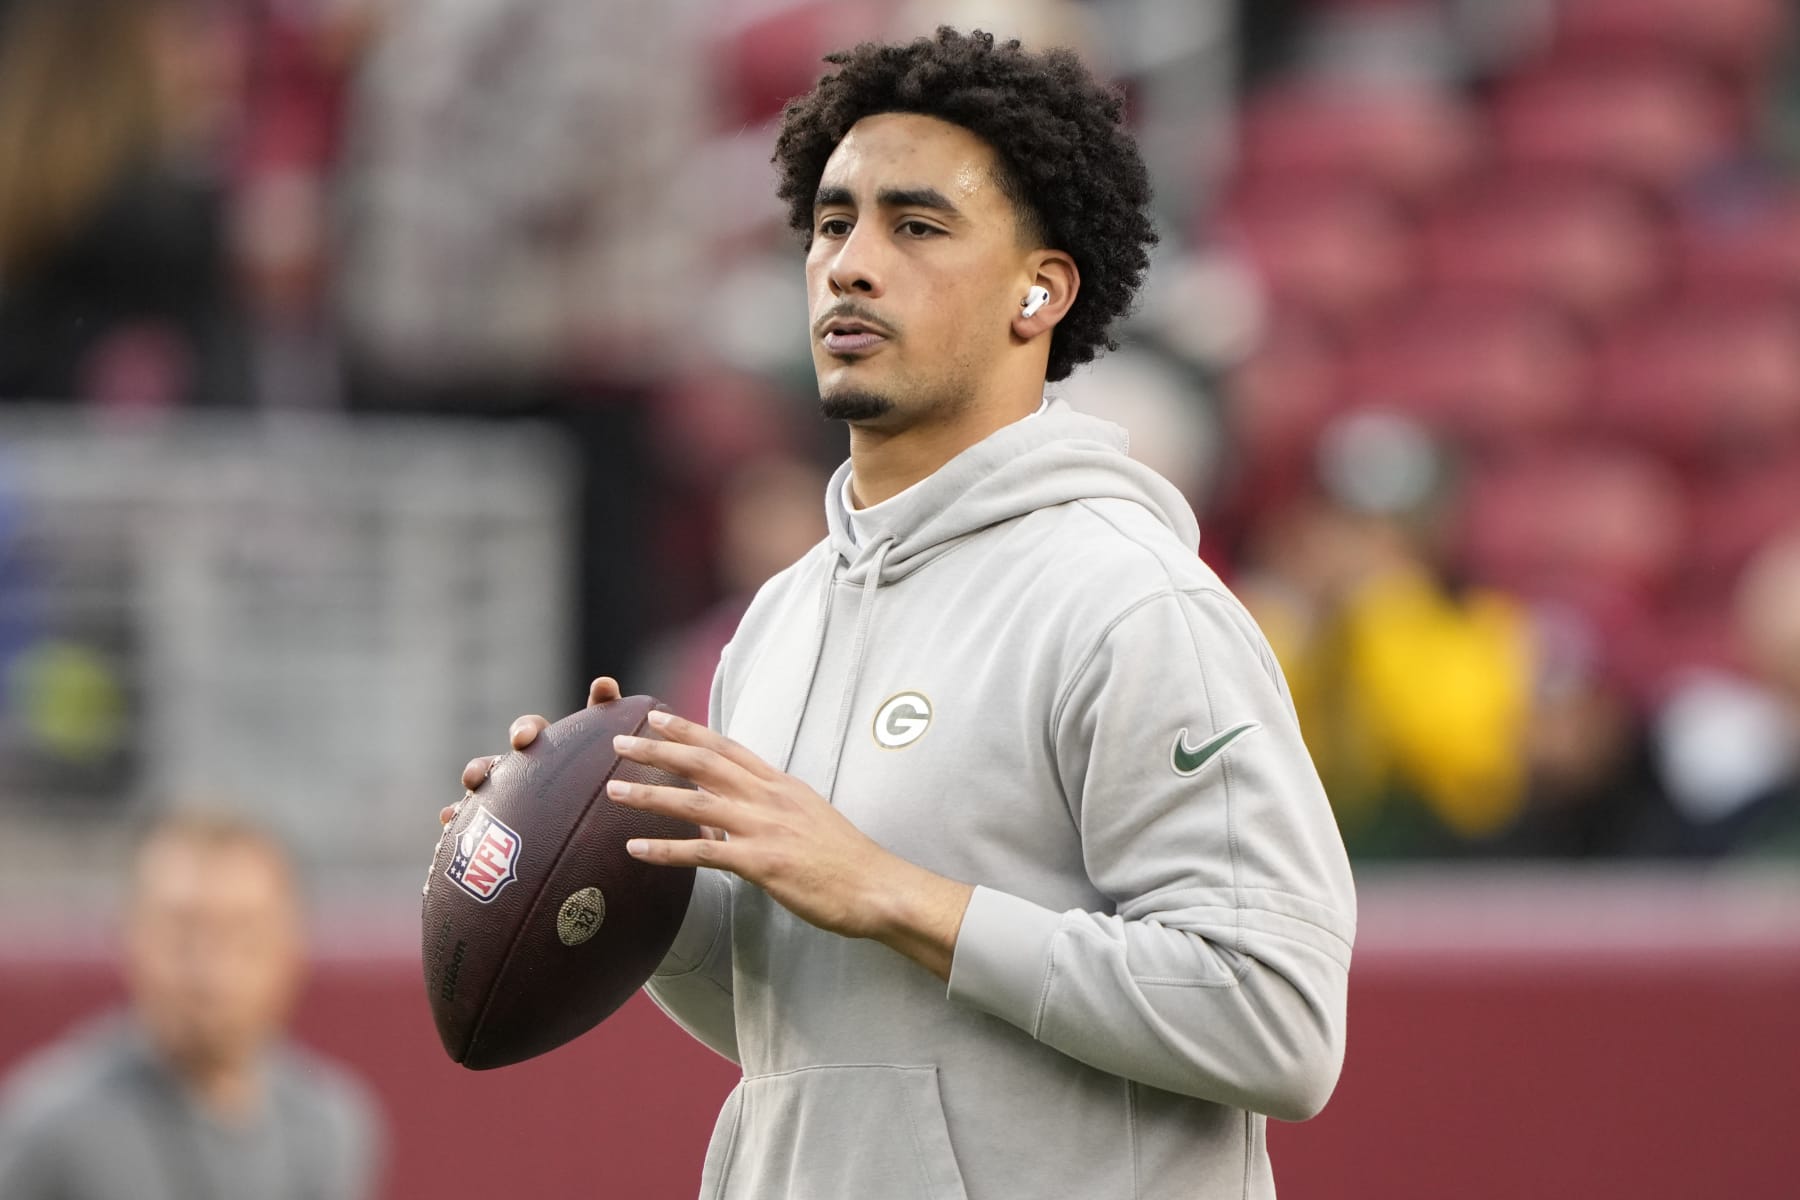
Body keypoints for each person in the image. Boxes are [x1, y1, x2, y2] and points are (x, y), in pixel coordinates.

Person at [456, 28, 1354, 1199]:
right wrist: (619, 867)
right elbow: (824, 1039)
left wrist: (895, 893)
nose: (850, 264)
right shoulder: (779, 620)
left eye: (916, 227)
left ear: (1042, 290)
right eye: (832, 223)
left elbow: (1277, 1019)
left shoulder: (1137, 605)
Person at [0, 811, 382, 1200]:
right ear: (131, 937)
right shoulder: (52, 1129)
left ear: (291, 946)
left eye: (242, 935)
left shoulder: (328, 1124)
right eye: (183, 936)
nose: (210, 970)